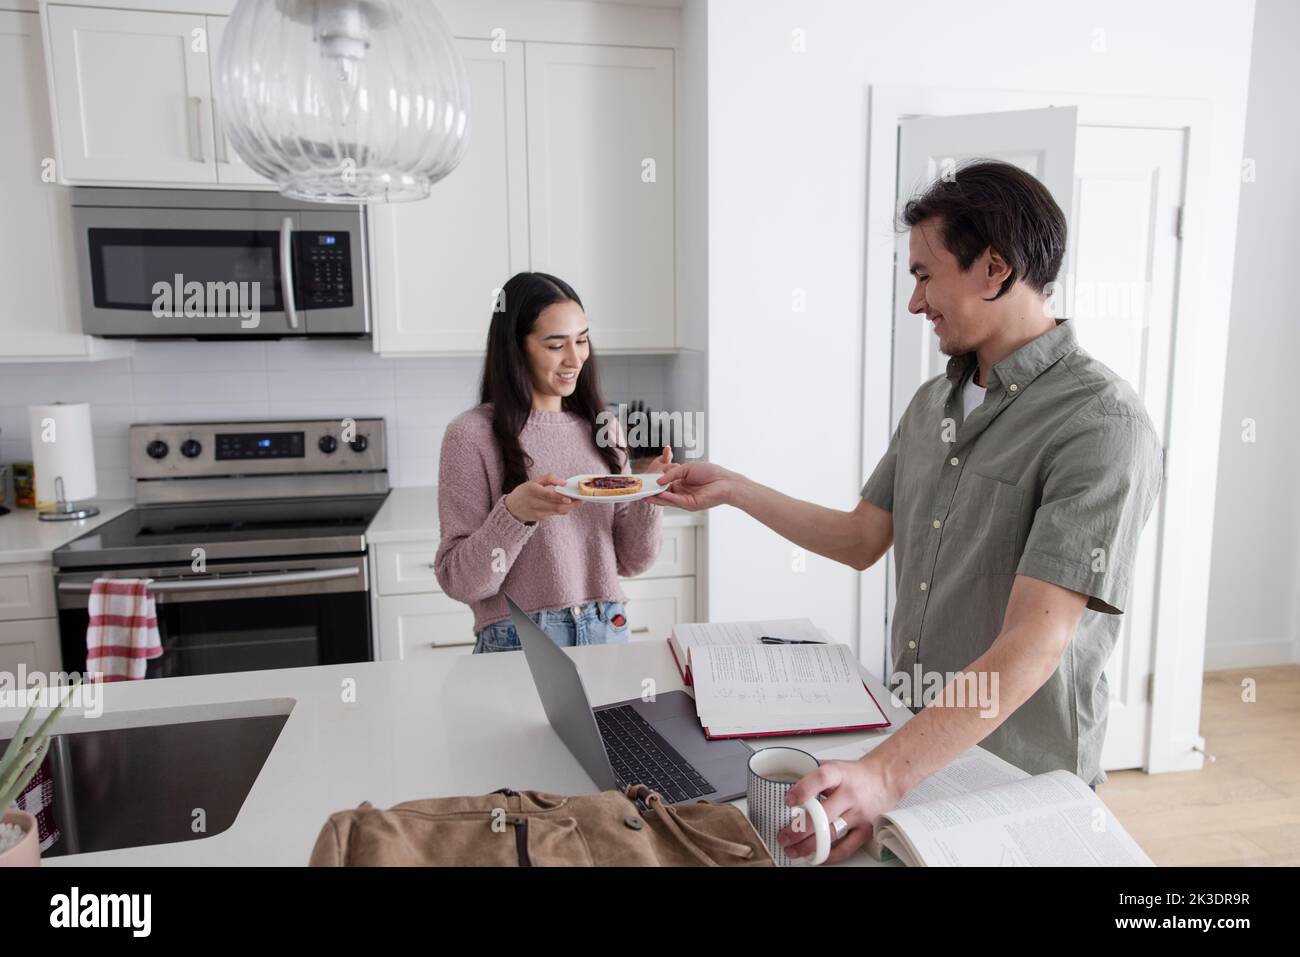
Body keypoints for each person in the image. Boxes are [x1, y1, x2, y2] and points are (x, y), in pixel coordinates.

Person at [653, 161, 1163, 863]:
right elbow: (863, 536)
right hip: (912, 753)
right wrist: (735, 488)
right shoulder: (934, 404)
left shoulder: (1101, 423)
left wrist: (883, 773)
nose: (915, 301)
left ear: (994, 268)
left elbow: (1033, 645)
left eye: (926, 274)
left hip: (1019, 785)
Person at [435, 271, 669, 653]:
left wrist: (650, 496)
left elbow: (632, 562)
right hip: (519, 639)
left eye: (582, 340)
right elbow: (462, 583)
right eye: (556, 344)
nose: (575, 358)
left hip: (607, 628)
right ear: (516, 348)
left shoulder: (604, 428)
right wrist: (513, 515)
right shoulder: (470, 435)